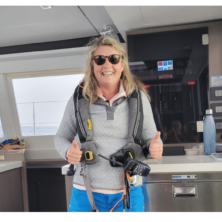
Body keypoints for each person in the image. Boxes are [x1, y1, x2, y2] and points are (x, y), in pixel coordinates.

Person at [56, 35, 163, 212]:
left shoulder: (139, 99)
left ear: (122, 64)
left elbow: (153, 139)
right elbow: (61, 136)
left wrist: (156, 148)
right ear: (92, 65)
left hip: (128, 191)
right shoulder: (78, 100)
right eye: (99, 60)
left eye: (113, 59)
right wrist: (68, 152)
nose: (107, 65)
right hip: (85, 192)